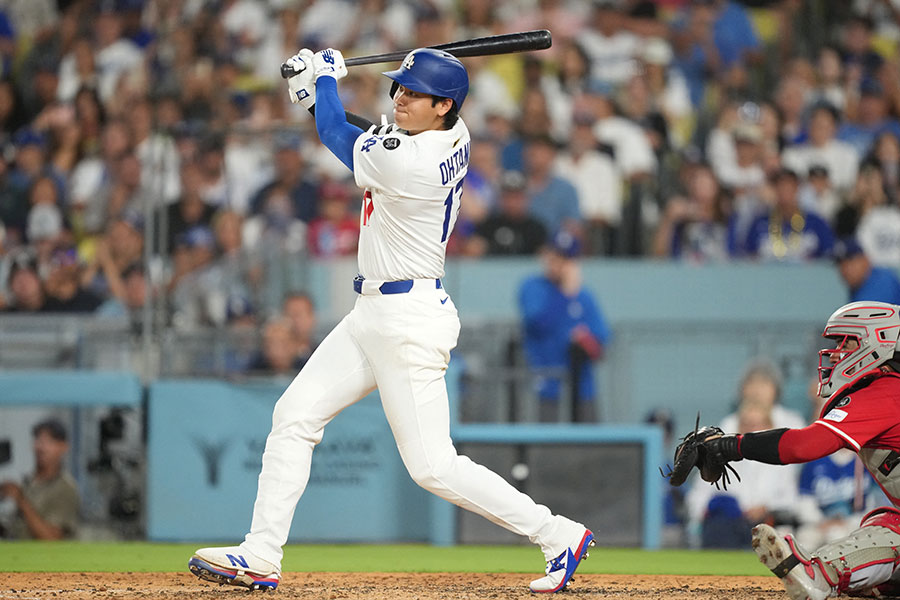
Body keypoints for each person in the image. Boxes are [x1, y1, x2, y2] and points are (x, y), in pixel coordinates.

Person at [188, 46, 594, 593]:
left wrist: (324, 87)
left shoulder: (415, 161)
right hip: (373, 313)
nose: (399, 97)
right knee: (294, 415)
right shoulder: (450, 134)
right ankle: (261, 554)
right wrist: (315, 97)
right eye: (398, 88)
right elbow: (361, 134)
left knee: (433, 467)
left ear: (444, 105)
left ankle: (558, 534)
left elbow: (344, 137)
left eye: (412, 92)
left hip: (407, 320)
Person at [670, 301, 900, 600]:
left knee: (893, 525)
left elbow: (804, 445)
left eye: (846, 342)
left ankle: (820, 572)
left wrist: (731, 445)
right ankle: (876, 581)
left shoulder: (883, 390)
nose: (836, 353)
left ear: (877, 342)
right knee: (885, 523)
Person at [518, 229, 612, 423]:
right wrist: (565, 295)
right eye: (553, 255)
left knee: (587, 445)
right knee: (544, 445)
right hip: (545, 383)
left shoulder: (584, 296)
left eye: (564, 258)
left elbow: (602, 337)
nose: (556, 263)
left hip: (581, 387)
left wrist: (585, 340)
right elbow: (538, 324)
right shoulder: (533, 287)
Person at [0, 418, 80, 539]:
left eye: (49, 441)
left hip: (46, 557)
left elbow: (52, 538)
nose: (41, 447)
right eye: (38, 439)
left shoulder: (65, 488)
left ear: (63, 447)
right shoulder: (28, 482)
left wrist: (20, 500)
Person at [832, 237, 900, 305]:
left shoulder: (882, 281)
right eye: (840, 264)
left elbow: (866, 311)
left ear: (865, 259)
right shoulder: (858, 287)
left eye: (851, 262)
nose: (846, 269)